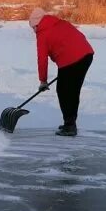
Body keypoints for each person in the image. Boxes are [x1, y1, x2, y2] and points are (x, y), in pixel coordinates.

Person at [29, 8, 94, 136]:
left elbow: (42, 59)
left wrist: (43, 80)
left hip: (70, 60)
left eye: (33, 27)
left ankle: (69, 125)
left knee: (64, 91)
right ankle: (70, 123)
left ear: (36, 24)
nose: (33, 30)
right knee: (72, 90)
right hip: (86, 54)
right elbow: (80, 36)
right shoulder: (61, 22)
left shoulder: (42, 34)